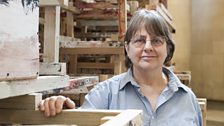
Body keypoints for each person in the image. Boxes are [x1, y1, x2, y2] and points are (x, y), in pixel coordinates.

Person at [39, 9, 202, 126]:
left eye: (157, 41)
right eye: (139, 40)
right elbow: (75, 123)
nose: (148, 47)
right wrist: (61, 109)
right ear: (127, 48)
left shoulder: (187, 99)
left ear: (168, 49)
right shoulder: (105, 95)